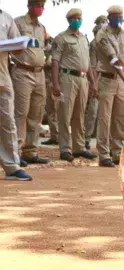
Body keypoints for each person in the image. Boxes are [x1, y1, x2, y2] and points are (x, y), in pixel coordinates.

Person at [51, 8, 98, 162]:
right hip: (67, 78)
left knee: (79, 114)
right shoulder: (61, 38)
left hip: (83, 79)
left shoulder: (84, 39)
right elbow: (55, 62)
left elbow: (89, 63)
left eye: (79, 17)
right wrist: (56, 83)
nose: (77, 20)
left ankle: (79, 147)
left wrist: (92, 82)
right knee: (65, 114)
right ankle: (65, 148)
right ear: (69, 20)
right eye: (74, 18)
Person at [94, 5, 124, 167]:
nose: (118, 18)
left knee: (119, 117)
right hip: (107, 80)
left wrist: (122, 62)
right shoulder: (102, 34)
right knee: (105, 118)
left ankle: (117, 152)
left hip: (120, 81)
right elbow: (112, 59)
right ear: (109, 17)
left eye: (120, 16)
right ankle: (103, 154)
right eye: (115, 16)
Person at [11, 0, 50, 165]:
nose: (40, 8)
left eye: (42, 5)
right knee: (21, 114)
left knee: (36, 114)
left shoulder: (42, 28)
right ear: (30, 5)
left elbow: (44, 47)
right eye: (38, 4)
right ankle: (15, 152)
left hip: (39, 74)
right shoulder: (18, 23)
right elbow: (10, 45)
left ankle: (30, 151)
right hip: (22, 71)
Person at [0, 8, 32, 180]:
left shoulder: (6, 18)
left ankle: (12, 167)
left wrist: (21, 44)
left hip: (3, 78)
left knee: (8, 123)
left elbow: (17, 49)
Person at [84, 15, 107, 150]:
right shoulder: (93, 45)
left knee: (103, 113)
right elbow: (92, 67)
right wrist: (94, 84)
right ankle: (86, 138)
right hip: (97, 80)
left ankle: (103, 140)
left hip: (107, 81)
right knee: (92, 111)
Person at [41, 36, 59, 146]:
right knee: (52, 111)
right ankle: (55, 135)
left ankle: (56, 136)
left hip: (51, 83)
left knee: (53, 111)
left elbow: (48, 64)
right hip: (49, 82)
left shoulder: (51, 53)